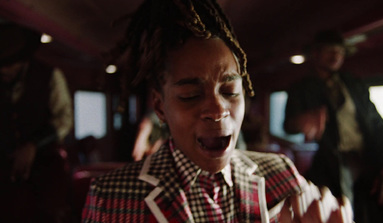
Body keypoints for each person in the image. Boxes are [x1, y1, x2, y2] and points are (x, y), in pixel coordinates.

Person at [82, 1, 353, 222]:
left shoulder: (280, 175)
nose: (217, 110)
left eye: (230, 92)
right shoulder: (111, 198)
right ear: (159, 107)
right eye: (190, 95)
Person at [284, 30, 383, 222]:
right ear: (316, 53)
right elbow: (289, 125)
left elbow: (376, 124)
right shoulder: (301, 88)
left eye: (340, 51)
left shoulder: (353, 83)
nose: (336, 56)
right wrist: (302, 121)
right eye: (330, 50)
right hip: (331, 163)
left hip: (367, 159)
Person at [0, 22, 75, 222]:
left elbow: (64, 119)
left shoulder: (50, 76)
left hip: (45, 172)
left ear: (23, 60)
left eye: (9, 64)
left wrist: (33, 145)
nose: (4, 70)